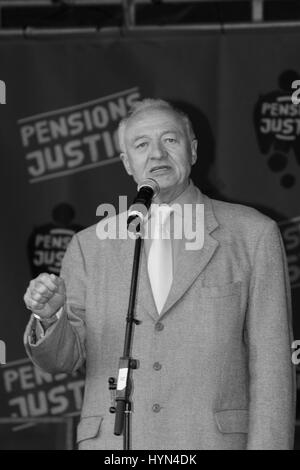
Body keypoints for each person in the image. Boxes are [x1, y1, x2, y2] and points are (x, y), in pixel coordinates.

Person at [24, 98, 295, 450]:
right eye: (141, 145)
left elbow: (273, 368)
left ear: (193, 151)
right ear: (126, 163)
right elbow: (64, 360)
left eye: (170, 140)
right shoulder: (89, 246)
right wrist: (49, 318)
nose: (157, 154)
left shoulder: (253, 234)